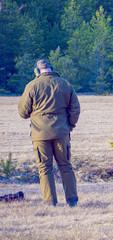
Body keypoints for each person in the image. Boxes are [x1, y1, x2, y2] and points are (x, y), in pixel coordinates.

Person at [18, 59, 80, 206]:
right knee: (65, 166)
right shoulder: (65, 84)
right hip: (61, 132)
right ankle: (72, 201)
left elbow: (23, 112)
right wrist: (69, 125)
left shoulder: (31, 86)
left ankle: (50, 201)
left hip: (40, 134)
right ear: (52, 69)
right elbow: (75, 109)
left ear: (37, 71)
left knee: (44, 168)